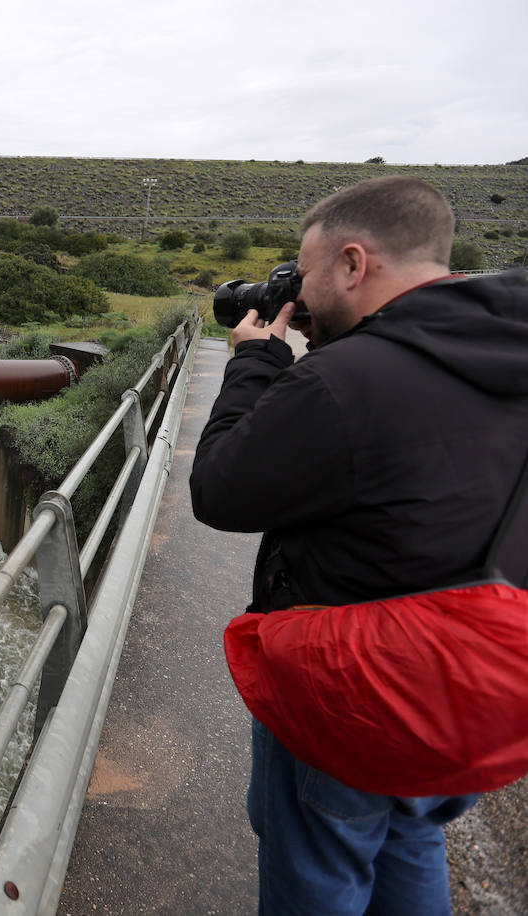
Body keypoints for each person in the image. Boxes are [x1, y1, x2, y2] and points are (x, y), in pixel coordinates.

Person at [189, 175, 528, 914]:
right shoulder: (506, 354)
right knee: (408, 840)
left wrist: (254, 362)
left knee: (319, 868)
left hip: (361, 685)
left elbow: (218, 491)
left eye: (304, 273)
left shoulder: (346, 381)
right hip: (478, 683)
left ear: (352, 263)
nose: (299, 293)